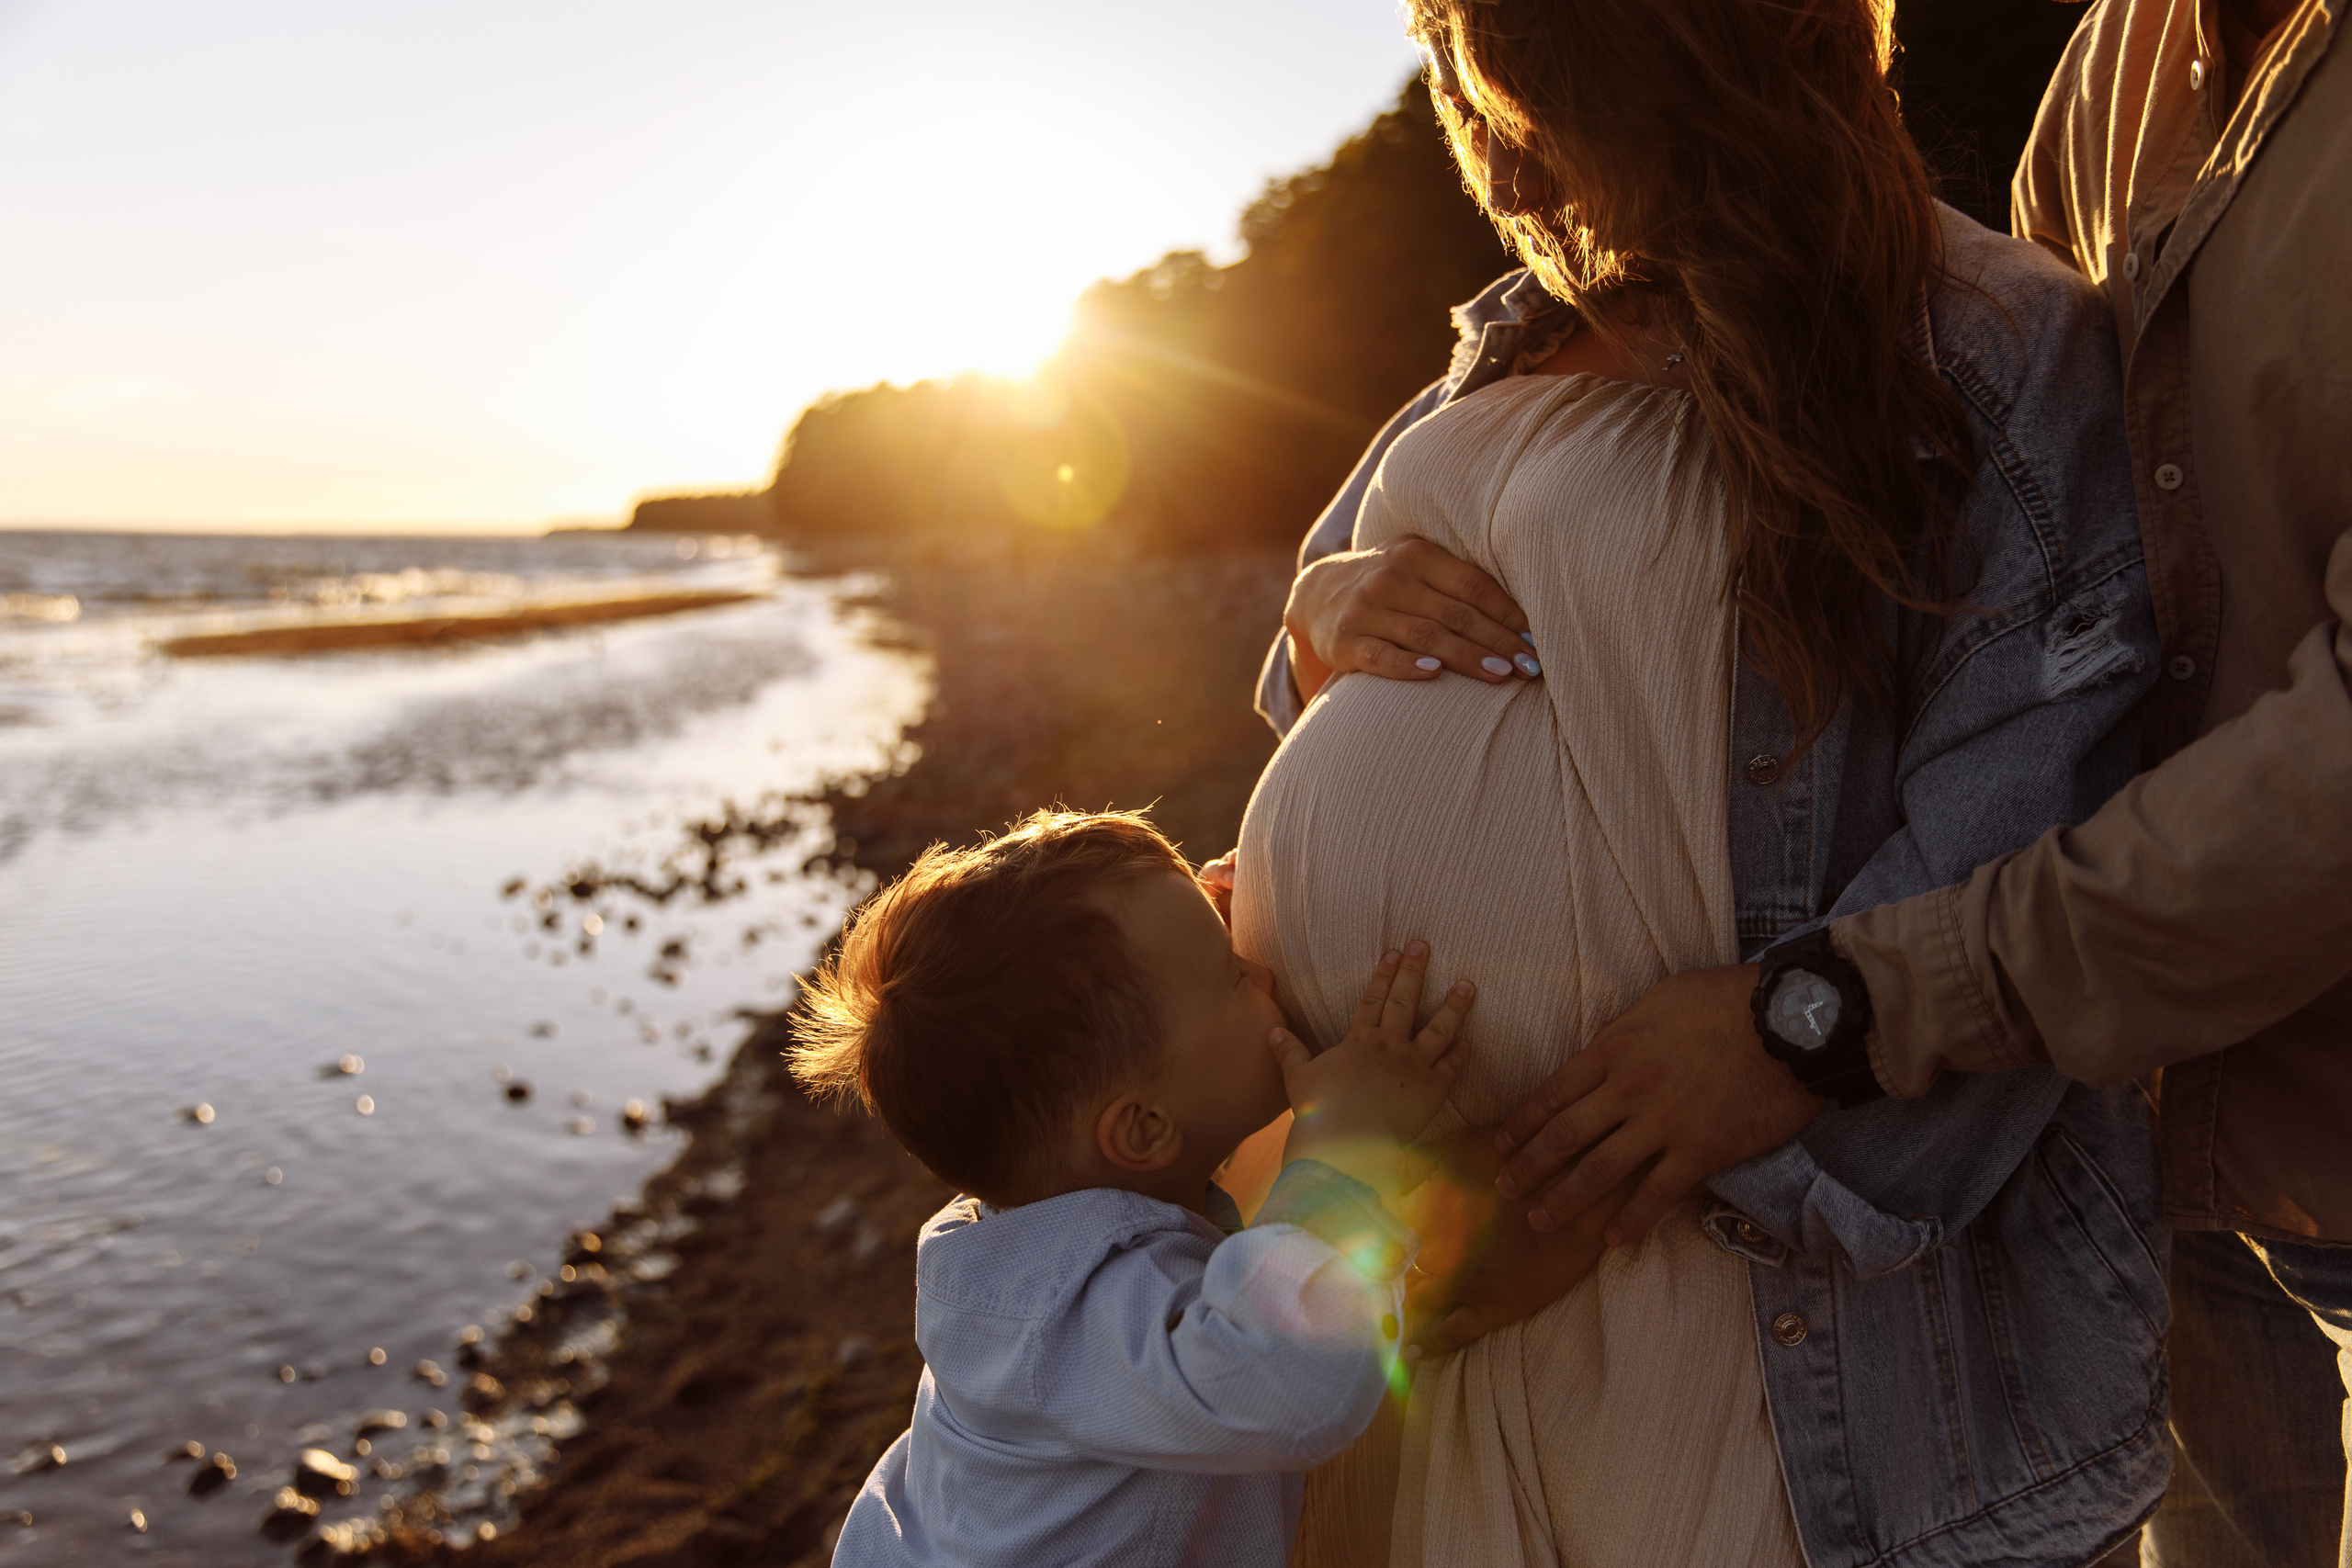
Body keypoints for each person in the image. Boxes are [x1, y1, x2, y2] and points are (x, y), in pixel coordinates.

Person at [1218, 0, 2169, 1562]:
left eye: (1536, 104)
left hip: (1758, 1304)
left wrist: (1783, 1060)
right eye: (1474, 95)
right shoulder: (1505, 337)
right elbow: (1318, 666)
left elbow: (2031, 838)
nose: (1509, 165)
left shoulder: (1979, 347)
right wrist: (1318, 612)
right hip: (1433, 1280)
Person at [1451, 0, 2352, 1561]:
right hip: (2180, 1121)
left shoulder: (2001, 309)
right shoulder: (2125, 63)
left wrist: (1833, 1014)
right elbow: (2076, 572)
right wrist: (1337, 612)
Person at [787, 808, 1479, 1568]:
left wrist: (1198, 929)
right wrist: (1348, 1146)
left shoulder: (1011, 1236)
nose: (1265, 970)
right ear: (1145, 1130)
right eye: (1231, 973)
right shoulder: (1078, 1314)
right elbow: (1284, 1382)